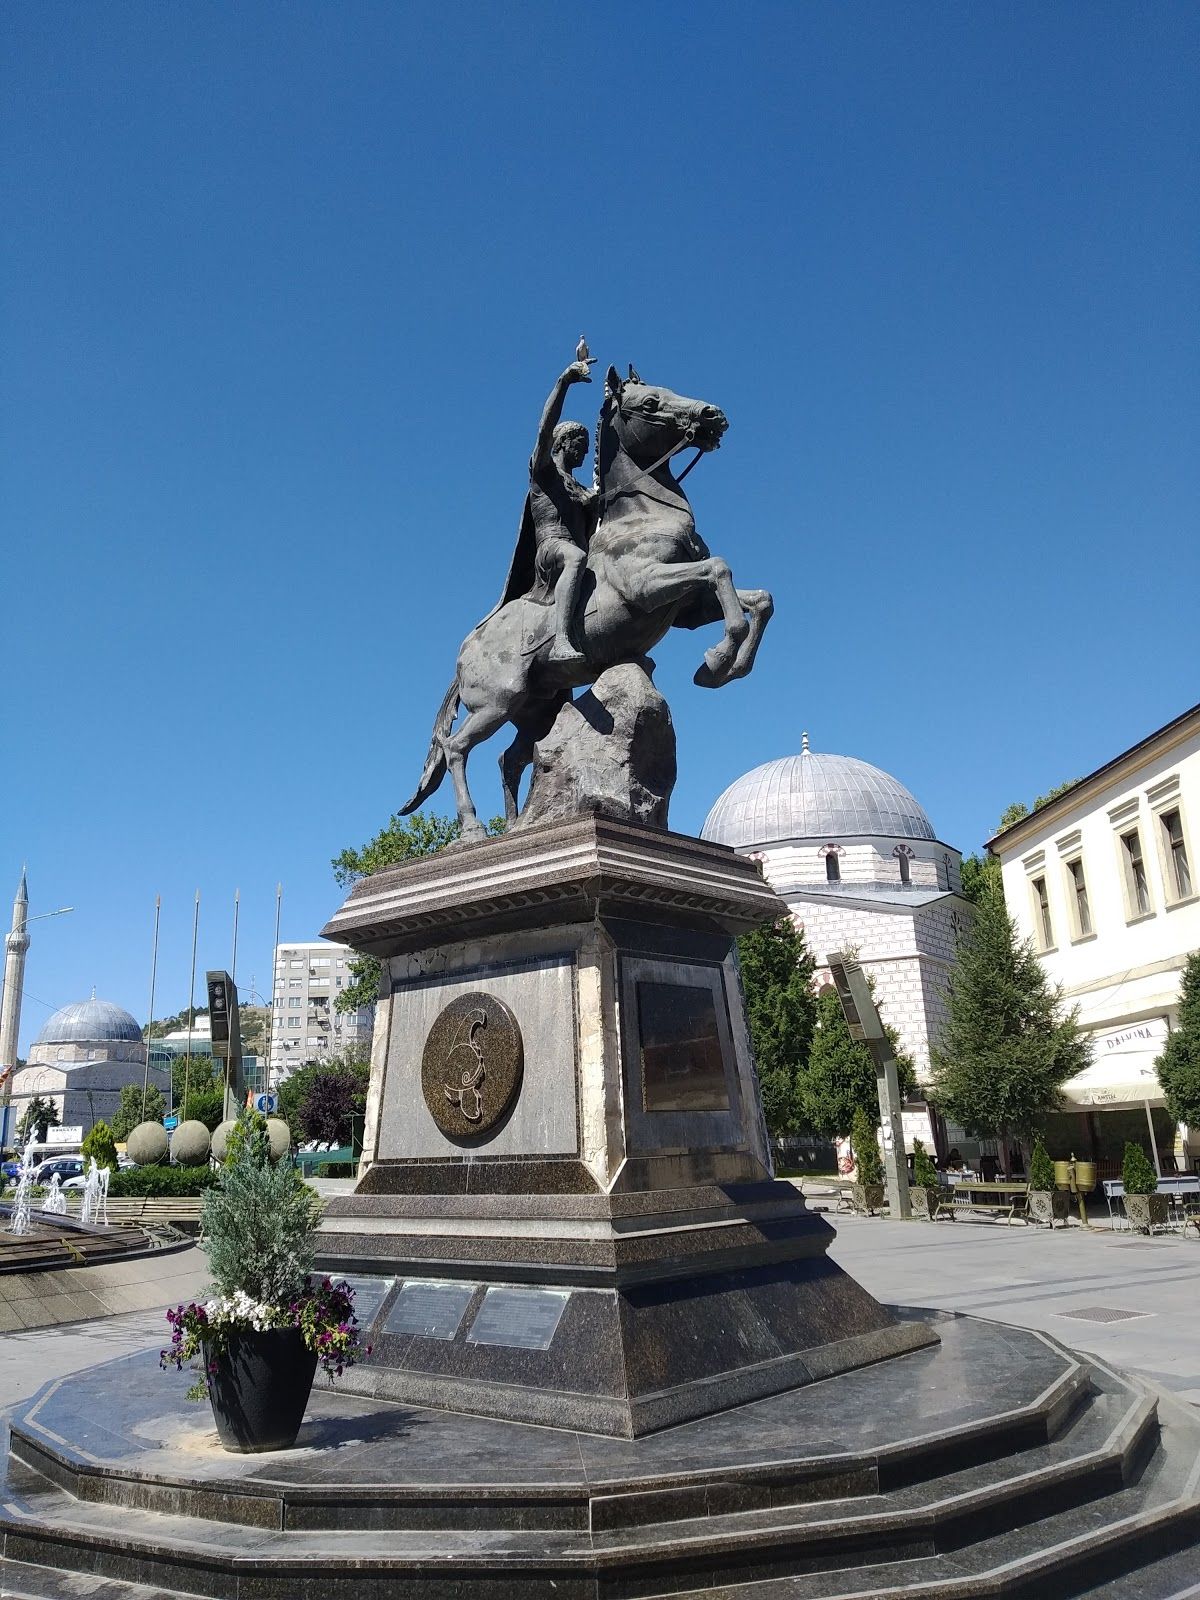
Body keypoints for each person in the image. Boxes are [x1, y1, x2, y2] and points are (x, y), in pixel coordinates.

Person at [495, 359, 598, 663]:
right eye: (580, 443)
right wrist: (564, 381)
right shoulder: (544, 472)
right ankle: (560, 641)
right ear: (562, 443)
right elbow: (545, 428)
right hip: (552, 549)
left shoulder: (579, 488)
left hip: (576, 547)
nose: (585, 450)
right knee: (576, 557)